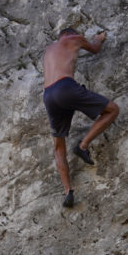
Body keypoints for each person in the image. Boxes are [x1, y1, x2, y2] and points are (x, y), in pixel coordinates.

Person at [42, 27, 120, 208]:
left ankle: (68, 191)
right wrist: (99, 38)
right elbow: (95, 49)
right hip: (65, 87)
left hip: (48, 95)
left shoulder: (49, 50)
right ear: (70, 34)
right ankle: (83, 146)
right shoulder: (75, 38)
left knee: (58, 145)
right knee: (112, 110)